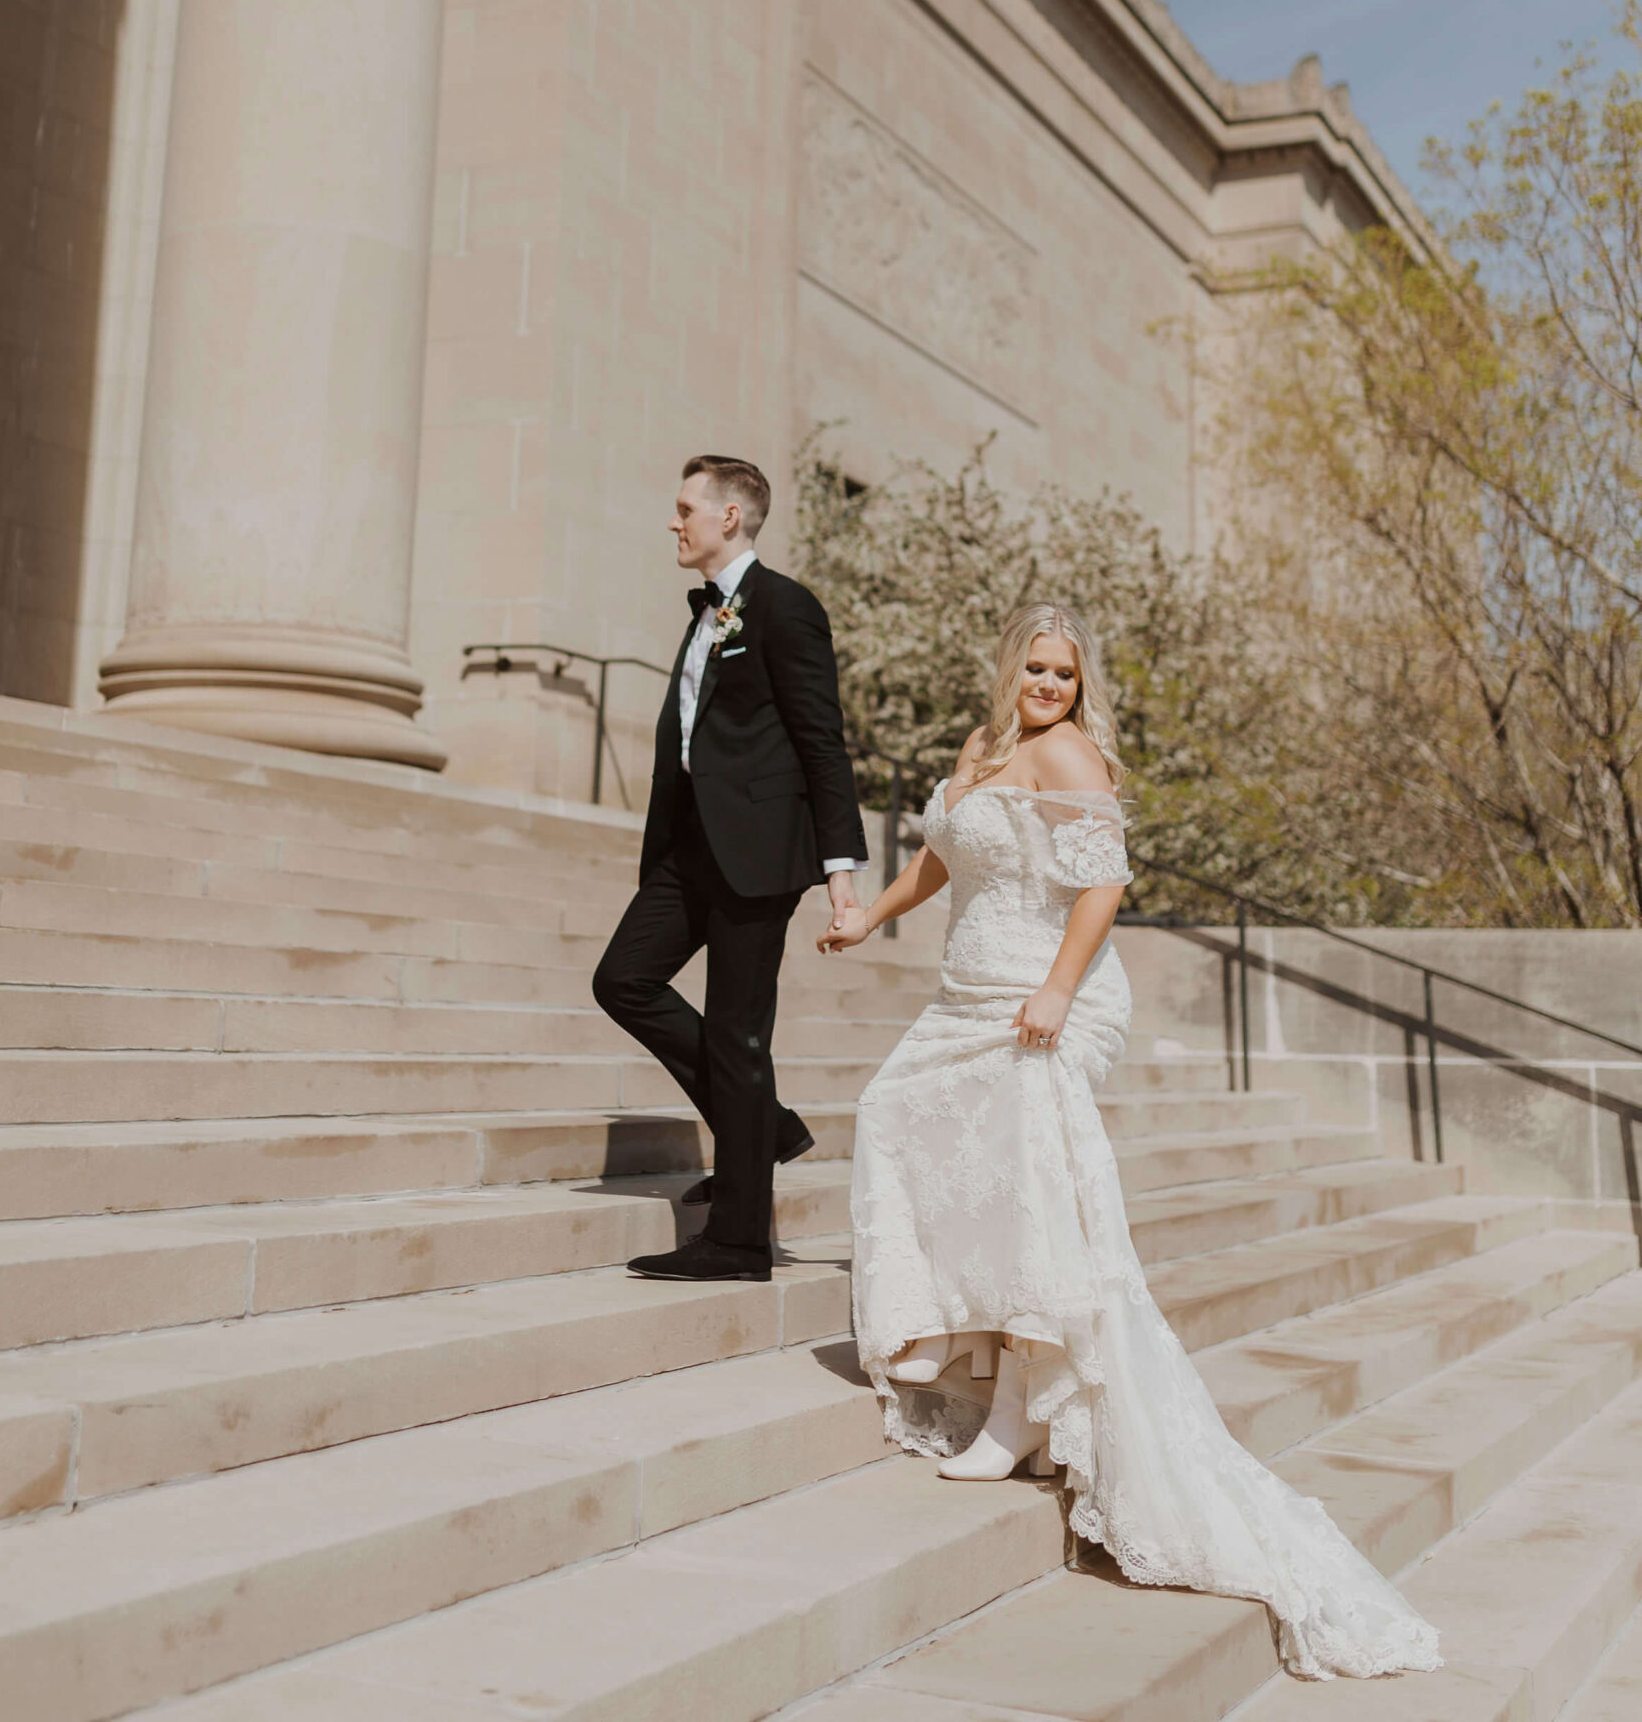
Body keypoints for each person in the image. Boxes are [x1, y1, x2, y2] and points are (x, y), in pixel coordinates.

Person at [820, 602, 1440, 1682]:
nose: (1051, 686)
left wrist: (1058, 989)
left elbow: (1102, 886)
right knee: (892, 1112)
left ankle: (1019, 1400)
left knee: (1031, 1193)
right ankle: (959, 1336)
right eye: (1036, 668)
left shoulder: (1068, 755)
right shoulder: (980, 750)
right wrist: (870, 917)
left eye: (1066, 672)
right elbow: (936, 859)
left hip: (1043, 994)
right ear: (1007, 667)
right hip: (965, 990)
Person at [593, 453, 867, 1283]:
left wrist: (840, 870)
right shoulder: (706, 613)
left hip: (757, 858)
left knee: (741, 1037)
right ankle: (765, 1128)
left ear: (730, 518)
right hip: (688, 856)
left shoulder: (785, 608)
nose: (673, 523)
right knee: (622, 980)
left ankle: (741, 1241)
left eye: (685, 509)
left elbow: (822, 741)